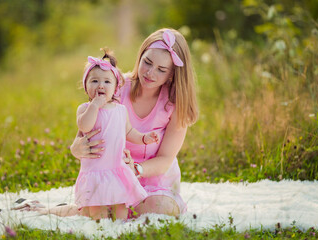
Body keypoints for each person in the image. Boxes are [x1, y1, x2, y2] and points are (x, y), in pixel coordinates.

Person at [28, 28, 198, 218]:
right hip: (113, 177)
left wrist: (135, 169)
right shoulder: (116, 87)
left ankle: (101, 212)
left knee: (162, 207)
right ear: (140, 56)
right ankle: (50, 211)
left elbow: (165, 159)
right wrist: (77, 147)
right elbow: (86, 130)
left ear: (172, 74)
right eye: (147, 62)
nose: (150, 72)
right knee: (101, 208)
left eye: (161, 69)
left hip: (153, 183)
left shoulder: (175, 104)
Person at [75, 51, 160, 220]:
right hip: (96, 169)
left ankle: (119, 230)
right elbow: (84, 126)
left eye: (107, 82)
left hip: (116, 166)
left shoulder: (120, 110)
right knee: (97, 207)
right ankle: (101, 229)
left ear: (115, 88)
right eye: (94, 81)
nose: (101, 85)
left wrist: (143, 138)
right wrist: (94, 106)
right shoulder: (85, 109)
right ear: (86, 86)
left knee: (120, 206)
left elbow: (128, 131)